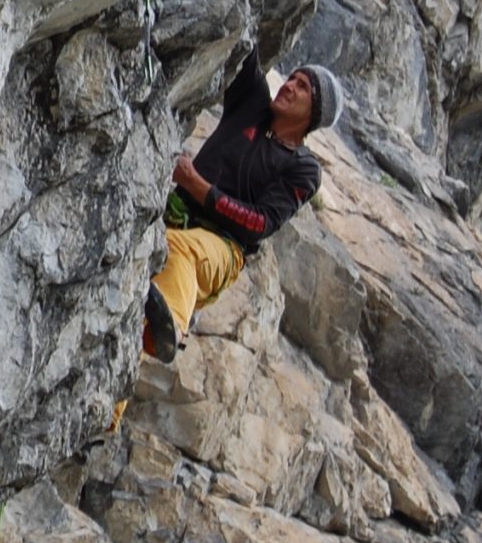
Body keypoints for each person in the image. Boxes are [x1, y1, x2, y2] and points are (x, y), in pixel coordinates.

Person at [140, 47, 344, 364]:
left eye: (303, 86)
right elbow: (244, 46)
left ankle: (176, 328)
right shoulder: (253, 105)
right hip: (176, 215)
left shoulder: (303, 168)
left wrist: (196, 183)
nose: (289, 85)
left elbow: (260, 224)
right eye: (291, 78)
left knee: (176, 248)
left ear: (314, 113)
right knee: (131, 325)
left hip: (224, 248)